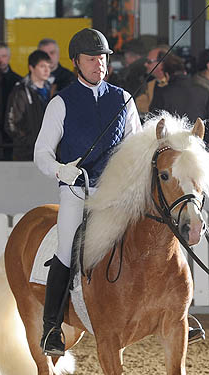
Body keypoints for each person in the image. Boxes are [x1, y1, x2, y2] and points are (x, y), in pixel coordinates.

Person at [33, 28, 142, 356]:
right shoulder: (60, 103)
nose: (99, 65)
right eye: (92, 59)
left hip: (115, 194)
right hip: (77, 191)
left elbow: (136, 147)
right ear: (76, 63)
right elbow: (41, 153)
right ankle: (51, 327)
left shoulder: (123, 99)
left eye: (103, 59)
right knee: (67, 248)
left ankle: (179, 310)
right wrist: (60, 170)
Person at [149, 53, 209, 143]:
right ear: (185, 72)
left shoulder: (162, 93)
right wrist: (202, 142)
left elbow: (153, 121)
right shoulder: (203, 91)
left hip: (172, 146)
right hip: (196, 144)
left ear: (167, 75)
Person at [5, 50, 54, 161]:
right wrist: (29, 141)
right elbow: (11, 124)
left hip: (49, 153)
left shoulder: (51, 89)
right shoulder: (21, 91)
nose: (47, 70)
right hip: (26, 153)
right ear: (31, 68)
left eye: (49, 66)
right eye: (42, 66)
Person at [0, 41, 23, 160]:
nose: (0, 60)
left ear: (9, 57)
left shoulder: (17, 81)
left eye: (3, 56)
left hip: (8, 137)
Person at [137, 45, 169, 114]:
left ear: (161, 63)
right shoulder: (149, 84)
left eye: (149, 61)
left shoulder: (174, 84)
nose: (145, 64)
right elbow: (139, 104)